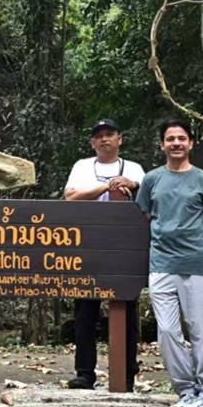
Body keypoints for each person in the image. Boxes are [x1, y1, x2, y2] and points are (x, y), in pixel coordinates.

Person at [136, 120, 203, 407]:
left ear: (191, 143)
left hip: (196, 266)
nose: (176, 143)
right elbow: (147, 215)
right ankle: (186, 390)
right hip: (161, 265)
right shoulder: (152, 180)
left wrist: (196, 244)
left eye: (181, 138)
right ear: (162, 144)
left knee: (201, 330)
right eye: (170, 138)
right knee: (167, 331)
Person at [63, 118, 145, 390]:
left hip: (124, 247)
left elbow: (148, 200)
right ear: (92, 142)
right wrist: (106, 187)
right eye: (99, 135)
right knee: (85, 311)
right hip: (87, 245)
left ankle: (126, 374)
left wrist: (133, 184)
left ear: (120, 139)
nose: (104, 139)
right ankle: (85, 373)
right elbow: (70, 196)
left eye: (110, 134)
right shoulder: (82, 166)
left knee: (125, 311)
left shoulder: (134, 168)